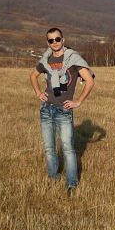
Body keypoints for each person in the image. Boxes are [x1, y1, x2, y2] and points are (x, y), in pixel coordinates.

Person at [30, 27, 95, 195]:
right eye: (51, 40)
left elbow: (89, 81)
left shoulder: (73, 58)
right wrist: (38, 92)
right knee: (49, 148)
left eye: (57, 39)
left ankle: (71, 184)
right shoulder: (46, 59)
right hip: (46, 109)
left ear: (63, 40)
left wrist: (78, 101)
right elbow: (33, 76)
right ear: (47, 42)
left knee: (68, 149)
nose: (55, 43)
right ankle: (53, 177)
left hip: (63, 111)